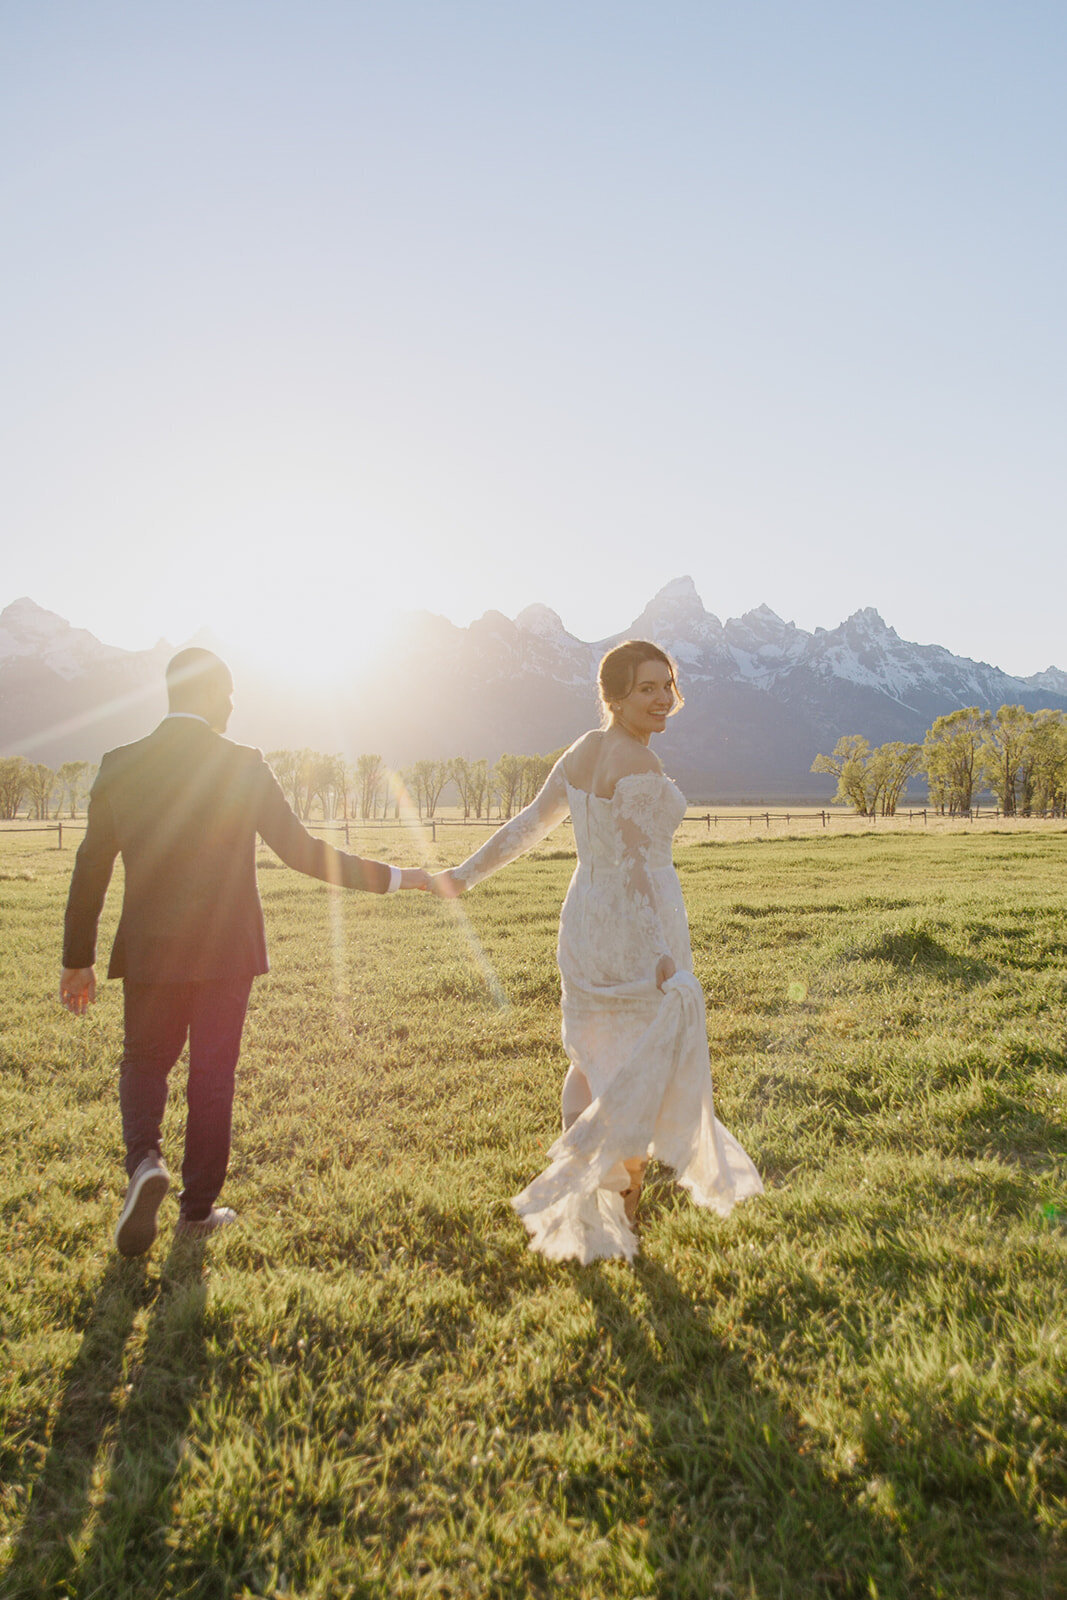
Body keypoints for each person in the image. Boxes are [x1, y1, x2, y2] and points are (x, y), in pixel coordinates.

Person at [60, 648, 429, 1256]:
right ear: (208, 694)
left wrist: (78, 958)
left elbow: (90, 867)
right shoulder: (243, 764)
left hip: (149, 951)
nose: (233, 703)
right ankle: (197, 1211)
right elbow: (304, 853)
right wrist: (398, 877)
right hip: (227, 952)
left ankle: (144, 1163)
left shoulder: (119, 764)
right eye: (228, 692)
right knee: (212, 1075)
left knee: (145, 1062)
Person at [435, 639, 763, 1263]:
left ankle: (593, 1195)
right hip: (635, 933)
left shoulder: (582, 750)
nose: (663, 698)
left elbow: (528, 826)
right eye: (647, 688)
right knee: (635, 1069)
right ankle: (620, 1212)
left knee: (592, 1058)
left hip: (584, 920)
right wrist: (664, 956)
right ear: (613, 694)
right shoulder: (639, 764)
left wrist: (465, 875)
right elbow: (641, 870)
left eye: (668, 685)